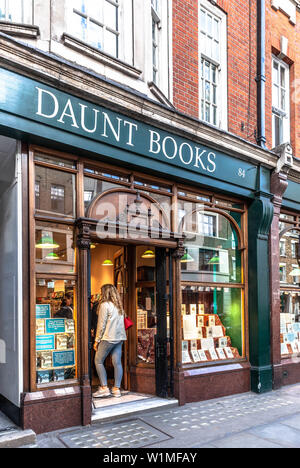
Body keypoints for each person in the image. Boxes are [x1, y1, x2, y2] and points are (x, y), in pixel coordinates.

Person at [93, 284, 127, 398]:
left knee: (98, 360)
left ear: (105, 293)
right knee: (117, 362)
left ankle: (104, 387)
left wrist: (96, 340)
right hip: (119, 338)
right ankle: (116, 389)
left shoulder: (104, 305)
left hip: (108, 337)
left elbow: (101, 325)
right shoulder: (118, 305)